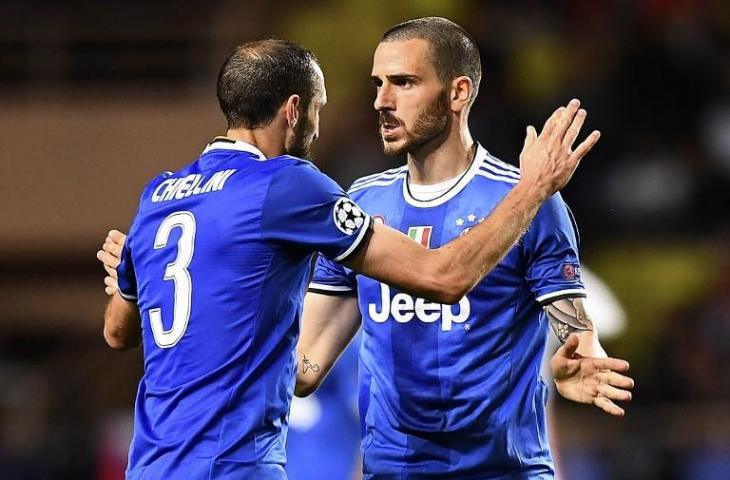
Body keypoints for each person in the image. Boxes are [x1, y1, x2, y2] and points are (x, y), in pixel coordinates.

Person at [97, 37, 597, 479]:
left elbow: (119, 332)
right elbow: (443, 276)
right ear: (294, 109)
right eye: (319, 108)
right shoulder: (293, 185)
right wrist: (534, 187)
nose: (379, 101)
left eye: (400, 82)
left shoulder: (159, 196)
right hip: (237, 465)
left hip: (153, 462)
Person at [294, 17, 634, 479]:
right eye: (378, 84)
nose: (382, 101)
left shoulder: (528, 200)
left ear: (458, 94)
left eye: (404, 83)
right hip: (394, 472)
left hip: (503, 470)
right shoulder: (361, 205)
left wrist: (583, 359)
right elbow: (306, 367)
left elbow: (577, 330)